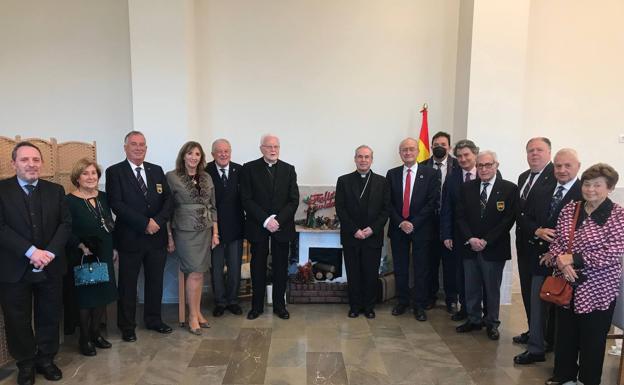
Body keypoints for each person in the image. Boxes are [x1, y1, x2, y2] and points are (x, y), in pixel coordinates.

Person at [541, 163, 624, 385]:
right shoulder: (570, 209)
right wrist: (563, 262)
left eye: (598, 185)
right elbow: (558, 241)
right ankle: (564, 375)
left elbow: (613, 253)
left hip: (598, 289)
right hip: (567, 284)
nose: (591, 190)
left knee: (592, 340)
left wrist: (574, 259)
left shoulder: (618, 215)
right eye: (587, 184)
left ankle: (588, 380)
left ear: (610, 187)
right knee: (565, 335)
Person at [0, 142, 71, 385]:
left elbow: (65, 224)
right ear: (13, 163)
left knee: (49, 314)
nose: (31, 164)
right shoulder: (1, 190)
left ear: (42, 162)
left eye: (35, 159)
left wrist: (49, 253)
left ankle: (46, 360)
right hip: (13, 268)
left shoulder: (56, 190)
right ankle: (26, 364)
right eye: (25, 160)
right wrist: (30, 252)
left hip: (50, 266)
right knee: (17, 319)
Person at [513, 149, 582, 365]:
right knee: (537, 304)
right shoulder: (542, 190)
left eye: (567, 166)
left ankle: (562, 354)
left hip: (570, 264)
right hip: (539, 259)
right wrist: (537, 231)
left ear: (578, 166)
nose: (561, 170)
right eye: (558, 166)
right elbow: (524, 217)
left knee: (564, 311)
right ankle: (536, 348)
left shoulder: (584, 193)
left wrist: (560, 254)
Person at [105, 131, 173, 342]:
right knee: (128, 284)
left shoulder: (156, 170)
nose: (138, 148)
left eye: (142, 145)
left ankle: (153, 320)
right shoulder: (115, 172)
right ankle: (127, 326)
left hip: (156, 238)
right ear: (125, 147)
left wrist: (157, 222)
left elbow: (169, 201)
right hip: (130, 237)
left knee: (155, 281)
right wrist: (144, 223)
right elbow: (116, 204)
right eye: (133, 144)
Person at [455, 151, 517, 340]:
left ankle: (492, 323)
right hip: (470, 247)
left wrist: (487, 240)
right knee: (471, 287)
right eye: (480, 165)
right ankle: (474, 319)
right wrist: (471, 238)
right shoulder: (466, 188)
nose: (483, 169)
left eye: (487, 165)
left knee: (491, 289)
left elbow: (508, 220)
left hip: (493, 249)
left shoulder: (509, 189)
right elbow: (460, 216)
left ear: (496, 165)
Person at [240, 134, 299, 320]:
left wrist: (278, 220)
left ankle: (279, 306)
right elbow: (246, 199)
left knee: (281, 267)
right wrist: (266, 220)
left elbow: (293, 200)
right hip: (258, 226)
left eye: (276, 147)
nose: (273, 150)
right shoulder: (249, 169)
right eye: (269, 146)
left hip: (282, 227)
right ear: (261, 148)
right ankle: (256, 306)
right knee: (258, 267)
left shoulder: (289, 170)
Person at [65, 159, 118, 356]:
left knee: (103, 295)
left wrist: (114, 248)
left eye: (93, 173)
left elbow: (109, 224)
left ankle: (96, 333)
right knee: (86, 299)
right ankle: (84, 338)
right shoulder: (69, 200)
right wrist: (80, 245)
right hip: (82, 255)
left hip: (104, 251)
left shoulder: (103, 197)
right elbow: (65, 228)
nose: (90, 177)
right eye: (85, 173)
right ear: (77, 178)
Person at [166, 141, 218, 335]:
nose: (193, 157)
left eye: (197, 154)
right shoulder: (171, 177)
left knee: (200, 272)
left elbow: (213, 207)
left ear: (201, 157)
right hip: (184, 231)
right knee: (194, 272)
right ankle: (192, 316)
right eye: (190, 153)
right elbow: (166, 209)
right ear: (183, 156)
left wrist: (215, 233)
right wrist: (169, 236)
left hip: (205, 230)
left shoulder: (206, 177)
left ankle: (197, 312)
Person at [386, 138, 439, 321]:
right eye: (403, 150)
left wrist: (414, 222)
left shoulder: (430, 173)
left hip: (422, 229)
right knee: (400, 268)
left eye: (411, 149)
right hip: (398, 228)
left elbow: (432, 202)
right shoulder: (391, 174)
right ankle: (402, 301)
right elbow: (388, 202)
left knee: (421, 268)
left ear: (417, 152)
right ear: (399, 153)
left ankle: (419, 305)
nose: (407, 153)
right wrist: (401, 222)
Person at [335, 145, 390, 318]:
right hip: (352, 236)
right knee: (353, 273)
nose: (363, 160)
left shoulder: (382, 182)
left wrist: (372, 229)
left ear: (372, 160)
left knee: (370, 273)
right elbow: (341, 209)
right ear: (355, 159)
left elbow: (386, 210)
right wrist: (354, 230)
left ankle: (369, 307)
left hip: (372, 236)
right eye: (360, 156)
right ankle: (354, 306)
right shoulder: (343, 180)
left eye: (367, 157)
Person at [514, 137, 556, 345]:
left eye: (539, 150)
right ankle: (533, 330)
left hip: (543, 248)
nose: (534, 154)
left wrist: (536, 229)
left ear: (549, 152)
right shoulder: (523, 177)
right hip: (524, 245)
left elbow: (547, 215)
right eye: (530, 150)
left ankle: (544, 338)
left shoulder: (555, 177)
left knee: (541, 297)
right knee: (527, 292)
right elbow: (518, 212)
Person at [419, 131, 460, 313]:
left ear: (449, 147)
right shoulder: (422, 166)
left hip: (450, 222)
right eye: (436, 144)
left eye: (443, 144)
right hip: (427, 222)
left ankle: (452, 298)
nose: (439, 147)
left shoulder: (458, 166)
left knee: (450, 263)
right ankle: (430, 296)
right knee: (430, 262)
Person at [440, 139, 480, 321]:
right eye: (460, 156)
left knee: (483, 276)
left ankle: (484, 314)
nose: (463, 159)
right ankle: (465, 309)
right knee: (462, 274)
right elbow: (446, 207)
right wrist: (446, 234)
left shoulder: (487, 172)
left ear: (475, 155)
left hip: (483, 235)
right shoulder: (452, 177)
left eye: (467, 155)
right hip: (458, 235)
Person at [206, 139, 245, 317]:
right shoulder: (205, 171)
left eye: (226, 151)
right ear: (213, 154)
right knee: (216, 267)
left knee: (235, 267)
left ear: (230, 152)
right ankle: (220, 302)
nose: (223, 154)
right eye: (219, 151)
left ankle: (233, 300)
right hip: (213, 229)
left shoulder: (240, 170)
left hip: (236, 227)